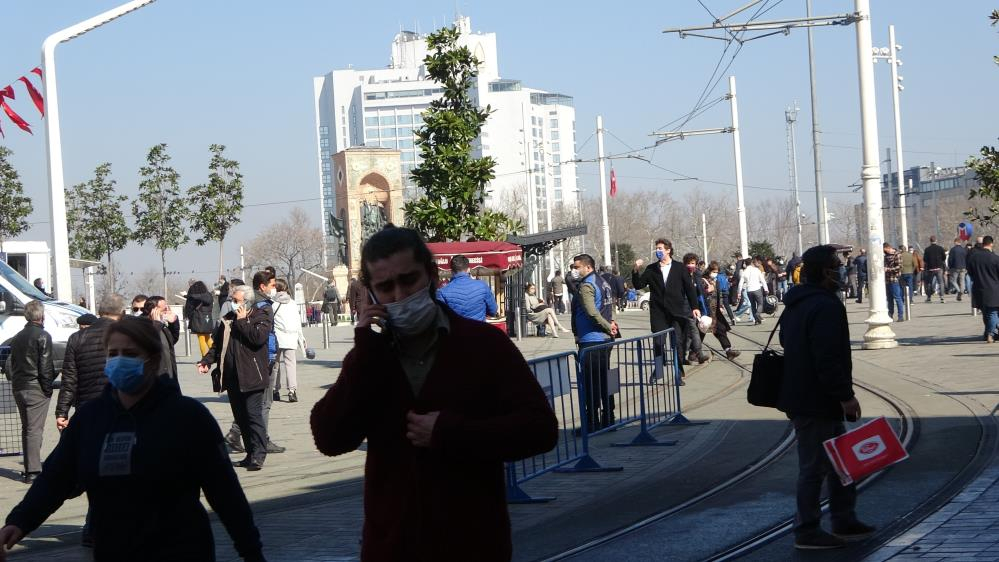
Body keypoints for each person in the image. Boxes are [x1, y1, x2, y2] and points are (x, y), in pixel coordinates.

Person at [309, 226, 558, 559]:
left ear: (432, 276)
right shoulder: (370, 359)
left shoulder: (484, 345)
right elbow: (330, 437)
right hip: (393, 547)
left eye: (408, 281)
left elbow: (540, 429)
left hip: (473, 543)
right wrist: (365, 349)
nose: (399, 296)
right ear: (370, 294)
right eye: (385, 287)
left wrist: (452, 432)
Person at [0, 317, 265, 561]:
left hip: (179, 550)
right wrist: (20, 521)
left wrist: (250, 550)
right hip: (114, 550)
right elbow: (57, 477)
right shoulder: (90, 418)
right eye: (112, 354)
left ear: (151, 359)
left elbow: (225, 492)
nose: (119, 360)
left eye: (130, 354)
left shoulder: (188, 416)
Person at [778, 245, 874, 550]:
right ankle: (807, 529)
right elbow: (828, 357)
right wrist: (846, 396)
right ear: (823, 271)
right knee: (814, 467)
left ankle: (844, 518)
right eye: (835, 266)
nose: (840, 271)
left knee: (840, 461)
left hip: (802, 394)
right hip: (816, 399)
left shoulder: (796, 302)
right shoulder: (826, 305)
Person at [198, 272, 275, 471]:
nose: (232, 303)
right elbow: (217, 345)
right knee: (241, 417)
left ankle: (259, 453)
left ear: (247, 302)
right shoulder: (227, 319)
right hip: (232, 377)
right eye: (232, 299)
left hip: (253, 376)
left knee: (253, 416)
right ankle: (250, 453)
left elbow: (257, 338)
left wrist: (242, 322)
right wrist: (206, 361)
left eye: (236, 300)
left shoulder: (261, 315)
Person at [632, 239, 707, 372]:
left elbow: (689, 289)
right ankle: (659, 369)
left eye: (660, 248)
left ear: (668, 250)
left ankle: (679, 371)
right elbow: (639, 284)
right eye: (657, 249)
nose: (658, 251)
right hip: (658, 312)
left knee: (678, 342)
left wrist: (695, 307)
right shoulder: (651, 269)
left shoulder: (680, 268)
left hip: (677, 311)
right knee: (658, 342)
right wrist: (635, 270)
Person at [55, 295, 123, 431]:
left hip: (87, 407)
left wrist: (62, 412)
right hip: (119, 406)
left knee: (90, 448)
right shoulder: (128, 336)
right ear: (122, 313)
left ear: (99, 312)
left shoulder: (77, 338)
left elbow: (69, 378)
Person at [7, 301, 55, 483]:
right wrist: (48, 389)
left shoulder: (16, 337)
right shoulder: (43, 335)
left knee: (27, 428)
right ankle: (33, 471)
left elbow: (10, 364)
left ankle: (31, 468)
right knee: (34, 429)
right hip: (36, 388)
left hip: (19, 386)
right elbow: (45, 367)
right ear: (41, 316)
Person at [572, 254, 620, 428]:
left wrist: (608, 326)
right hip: (604, 339)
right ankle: (608, 416)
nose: (574, 271)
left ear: (588, 267)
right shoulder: (602, 281)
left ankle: (592, 421)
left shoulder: (587, 285)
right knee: (604, 379)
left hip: (592, 338)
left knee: (591, 383)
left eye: (577, 267)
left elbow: (592, 312)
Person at [435, 254, 498, 322]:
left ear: (452, 272)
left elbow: (441, 318)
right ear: (468, 270)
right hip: (479, 329)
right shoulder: (482, 286)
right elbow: (493, 311)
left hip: (457, 331)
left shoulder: (442, 292)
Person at [701, 262, 740, 360]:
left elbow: (720, 295)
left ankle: (728, 350)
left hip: (715, 311)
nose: (715, 274)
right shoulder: (703, 281)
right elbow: (699, 295)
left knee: (721, 329)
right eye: (714, 272)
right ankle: (693, 352)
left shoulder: (716, 281)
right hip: (705, 311)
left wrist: (721, 305)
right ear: (709, 271)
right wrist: (706, 291)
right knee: (701, 332)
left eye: (717, 272)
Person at [271, 278, 301, 403]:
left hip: (277, 338)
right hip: (291, 338)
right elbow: (297, 321)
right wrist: (300, 337)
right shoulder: (293, 303)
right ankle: (292, 391)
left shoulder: (273, 304)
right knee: (290, 364)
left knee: (275, 365)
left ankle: (274, 390)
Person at [966, 235, 999, 343]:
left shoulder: (974, 258)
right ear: (991, 244)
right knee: (993, 313)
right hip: (993, 289)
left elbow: (970, 273)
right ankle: (990, 333)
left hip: (978, 288)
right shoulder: (995, 258)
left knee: (986, 313)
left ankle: (988, 332)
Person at [141, 297, 179, 384]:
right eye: (164, 308)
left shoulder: (161, 324)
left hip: (169, 374)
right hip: (155, 378)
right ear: (154, 310)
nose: (167, 310)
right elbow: (147, 344)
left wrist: (173, 323)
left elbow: (172, 340)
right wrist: (157, 324)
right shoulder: (143, 325)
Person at [184, 281, 215, 356]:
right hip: (208, 319)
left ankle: (204, 356)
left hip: (199, 319)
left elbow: (193, 300)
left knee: (201, 338)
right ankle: (215, 353)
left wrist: (188, 296)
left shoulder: (198, 297)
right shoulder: (208, 295)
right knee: (207, 338)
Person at [737, 257, 769, 325]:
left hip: (749, 290)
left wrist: (739, 293)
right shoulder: (756, 270)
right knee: (760, 303)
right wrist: (766, 289)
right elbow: (762, 280)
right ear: (751, 263)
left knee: (753, 305)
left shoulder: (744, 272)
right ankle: (757, 314)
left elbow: (740, 284)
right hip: (757, 289)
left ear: (745, 264)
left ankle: (757, 320)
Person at [884, 243, 905, 322]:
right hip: (887, 280)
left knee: (897, 298)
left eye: (885, 250)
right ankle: (890, 315)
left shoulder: (897, 255)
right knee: (889, 299)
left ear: (888, 248)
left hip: (894, 279)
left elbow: (900, 267)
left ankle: (900, 316)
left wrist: (888, 269)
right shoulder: (885, 256)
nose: (884, 252)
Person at [923, 236, 947, 303]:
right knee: (941, 283)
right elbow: (944, 257)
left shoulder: (927, 249)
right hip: (939, 268)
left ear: (930, 241)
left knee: (929, 283)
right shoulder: (940, 248)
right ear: (936, 240)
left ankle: (929, 297)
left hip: (930, 269)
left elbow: (925, 259)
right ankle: (942, 297)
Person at [947, 237, 968, 302]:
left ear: (955, 242)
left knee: (953, 280)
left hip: (955, 267)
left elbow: (950, 259)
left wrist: (950, 267)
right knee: (962, 281)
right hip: (963, 267)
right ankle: (962, 291)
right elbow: (966, 258)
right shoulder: (964, 250)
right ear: (960, 242)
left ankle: (959, 291)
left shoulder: (953, 250)